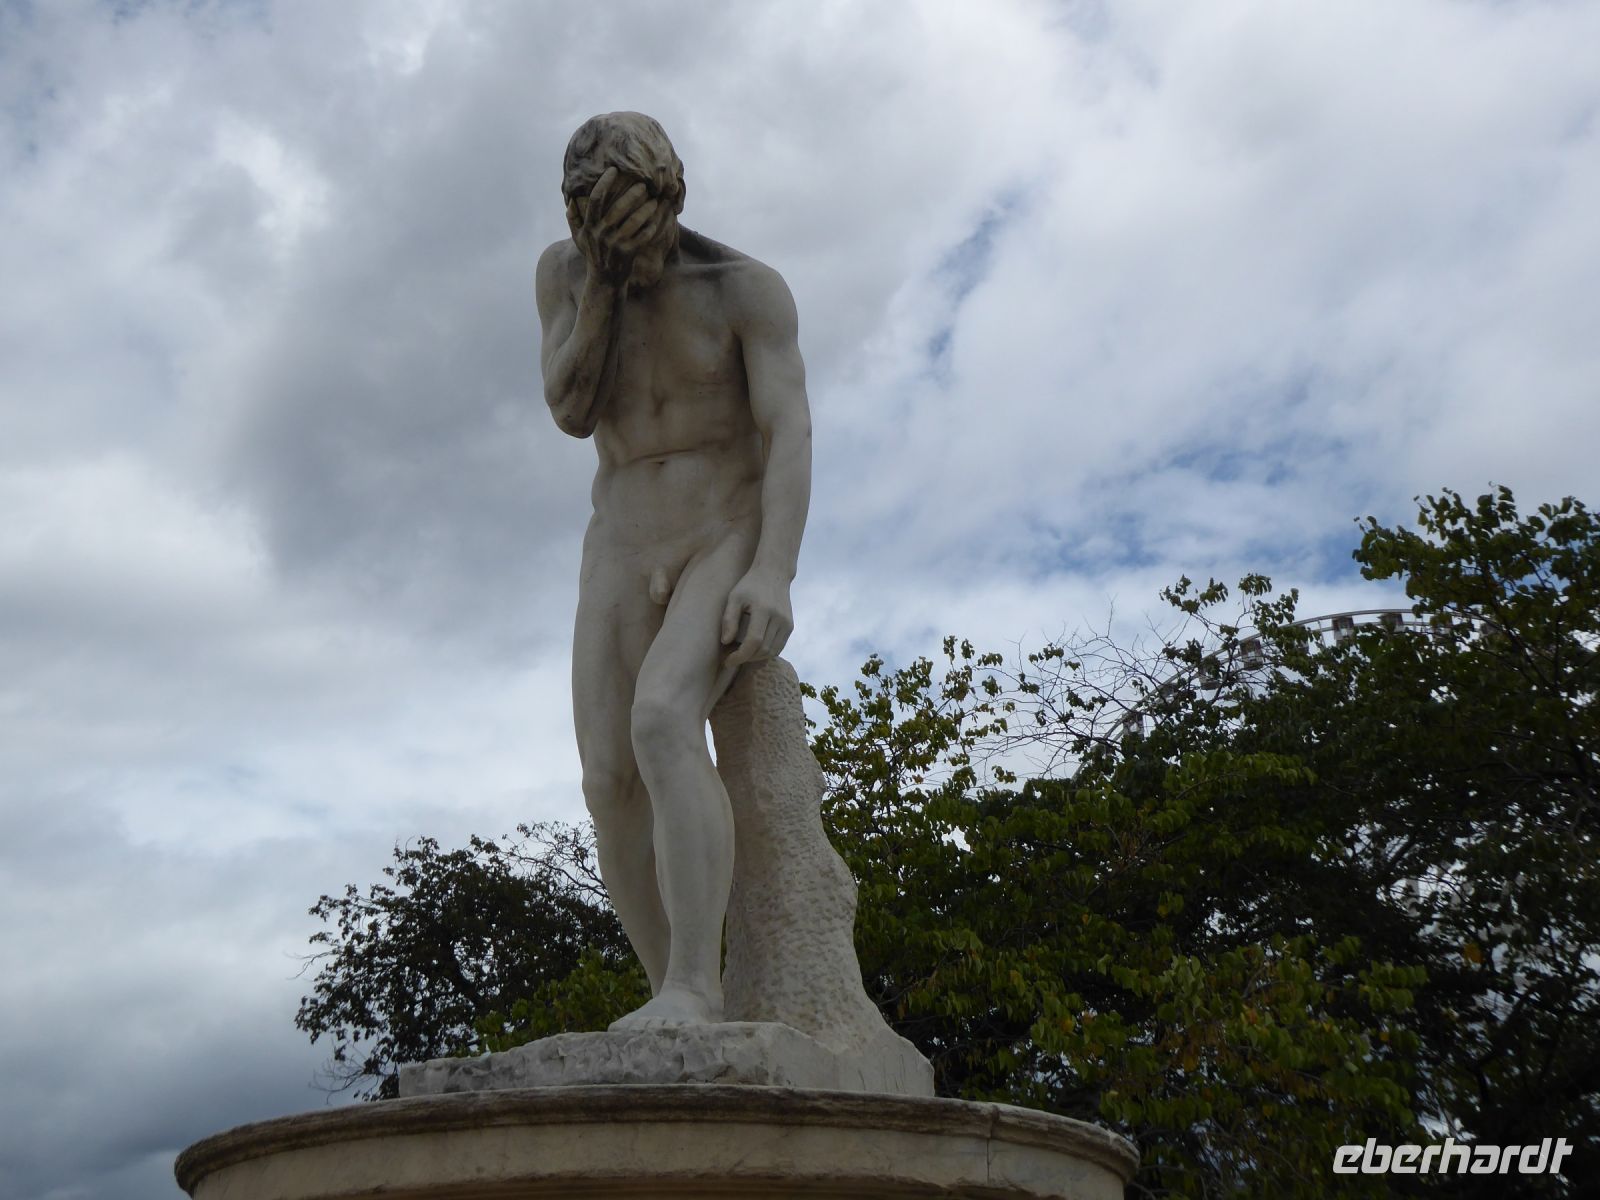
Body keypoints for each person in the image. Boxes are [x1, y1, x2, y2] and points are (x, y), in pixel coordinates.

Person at [535, 112, 812, 1029]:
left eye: (641, 235)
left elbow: (787, 428)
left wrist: (774, 572)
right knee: (606, 782)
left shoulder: (744, 289)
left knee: (661, 719)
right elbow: (571, 410)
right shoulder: (565, 277)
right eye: (605, 238)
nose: (634, 257)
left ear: (671, 201)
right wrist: (603, 288)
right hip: (620, 535)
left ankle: (698, 981)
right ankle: (673, 996)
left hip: (719, 528)